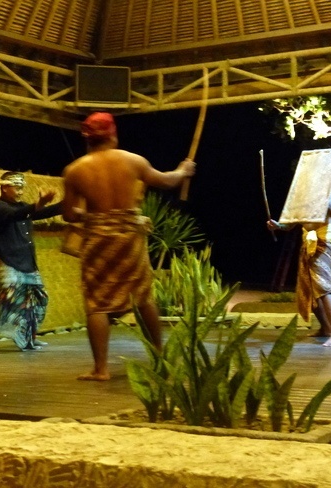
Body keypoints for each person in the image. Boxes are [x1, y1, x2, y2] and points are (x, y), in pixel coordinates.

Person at [61, 112, 196, 381]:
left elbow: (68, 214)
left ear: (88, 138)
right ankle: (159, 356)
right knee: (143, 296)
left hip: (97, 238)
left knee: (97, 304)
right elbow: (167, 181)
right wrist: (184, 170)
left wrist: (90, 215)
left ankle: (101, 368)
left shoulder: (74, 170)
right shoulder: (133, 161)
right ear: (112, 133)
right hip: (129, 236)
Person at [0, 172, 61, 356]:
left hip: (26, 261)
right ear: (4, 187)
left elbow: (42, 212)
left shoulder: (24, 207)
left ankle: (28, 337)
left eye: (22, 187)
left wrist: (65, 204)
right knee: (6, 302)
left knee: (38, 299)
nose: (20, 191)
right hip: (6, 261)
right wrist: (37, 205)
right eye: (17, 187)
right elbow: (17, 214)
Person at [267, 191, 331, 347]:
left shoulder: (327, 190)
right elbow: (290, 224)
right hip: (307, 244)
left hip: (324, 241)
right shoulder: (301, 193)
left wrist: (322, 195)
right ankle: (326, 328)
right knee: (308, 288)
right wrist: (278, 226)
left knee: (323, 286)